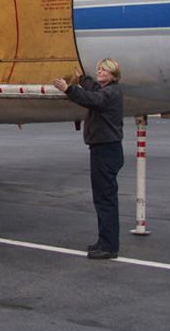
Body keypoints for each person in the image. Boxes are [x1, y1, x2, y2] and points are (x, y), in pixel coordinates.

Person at [53, 58, 124, 260]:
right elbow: (94, 90)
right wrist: (83, 78)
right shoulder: (110, 90)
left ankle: (109, 247)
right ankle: (104, 241)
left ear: (113, 75)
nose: (100, 71)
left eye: (104, 70)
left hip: (105, 151)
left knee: (105, 200)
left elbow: (92, 100)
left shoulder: (109, 94)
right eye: (99, 68)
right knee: (103, 198)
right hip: (106, 150)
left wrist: (68, 89)